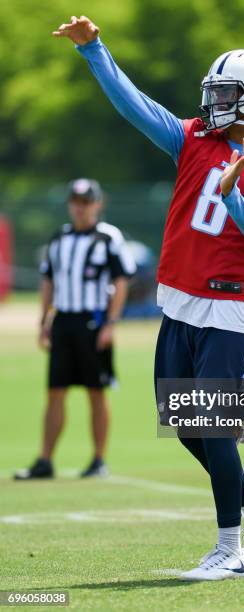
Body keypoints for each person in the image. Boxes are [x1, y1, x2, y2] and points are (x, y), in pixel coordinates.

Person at [52, 16, 244, 581]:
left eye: (225, 92)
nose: (213, 101)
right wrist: (95, 51)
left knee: (215, 428)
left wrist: (231, 196)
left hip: (230, 313)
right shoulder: (193, 137)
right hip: (179, 307)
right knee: (189, 427)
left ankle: (231, 550)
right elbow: (135, 106)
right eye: (212, 90)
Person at [14, 178, 135, 480]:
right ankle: (45, 459)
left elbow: (121, 281)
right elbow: (48, 282)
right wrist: (44, 321)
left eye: (86, 202)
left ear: (97, 204)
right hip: (63, 321)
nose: (80, 208)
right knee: (55, 391)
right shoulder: (59, 239)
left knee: (96, 390)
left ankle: (98, 459)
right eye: (75, 202)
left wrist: (111, 322)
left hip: (93, 321)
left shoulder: (108, 237)